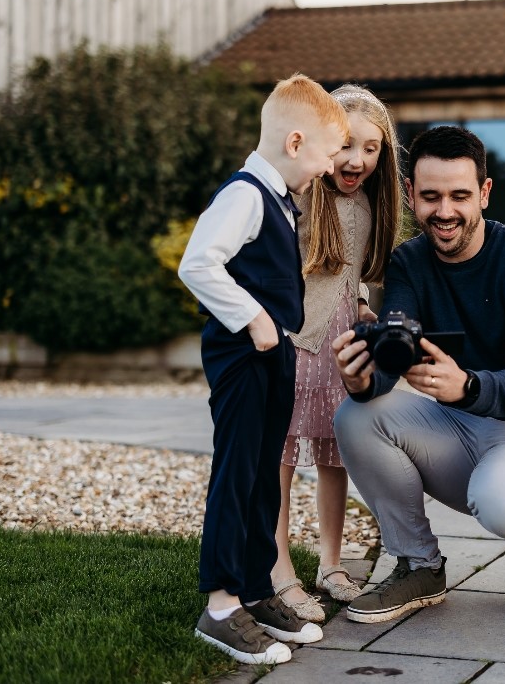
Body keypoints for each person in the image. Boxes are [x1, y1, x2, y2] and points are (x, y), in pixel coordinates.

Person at [330, 125, 505, 624]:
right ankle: (418, 564)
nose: (445, 212)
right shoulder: (408, 262)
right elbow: (395, 356)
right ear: (411, 195)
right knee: (356, 416)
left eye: (459, 195)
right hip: (466, 431)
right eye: (430, 197)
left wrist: (468, 385)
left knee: (501, 499)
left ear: (485, 193)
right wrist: (361, 379)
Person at [178, 73, 348, 665]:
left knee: (260, 478)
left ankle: (253, 587)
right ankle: (221, 607)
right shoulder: (246, 193)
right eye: (328, 156)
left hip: (270, 356)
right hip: (243, 357)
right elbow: (198, 264)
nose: (331, 169)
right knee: (238, 472)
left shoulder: (278, 197)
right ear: (296, 142)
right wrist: (253, 319)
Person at [269, 85, 403, 623]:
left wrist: (365, 304)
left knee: (334, 453)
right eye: (347, 145)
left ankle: (329, 563)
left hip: (342, 348)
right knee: (279, 456)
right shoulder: (301, 195)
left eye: (371, 149)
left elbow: (353, 274)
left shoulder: (369, 204)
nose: (357, 160)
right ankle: (278, 567)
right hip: (295, 344)